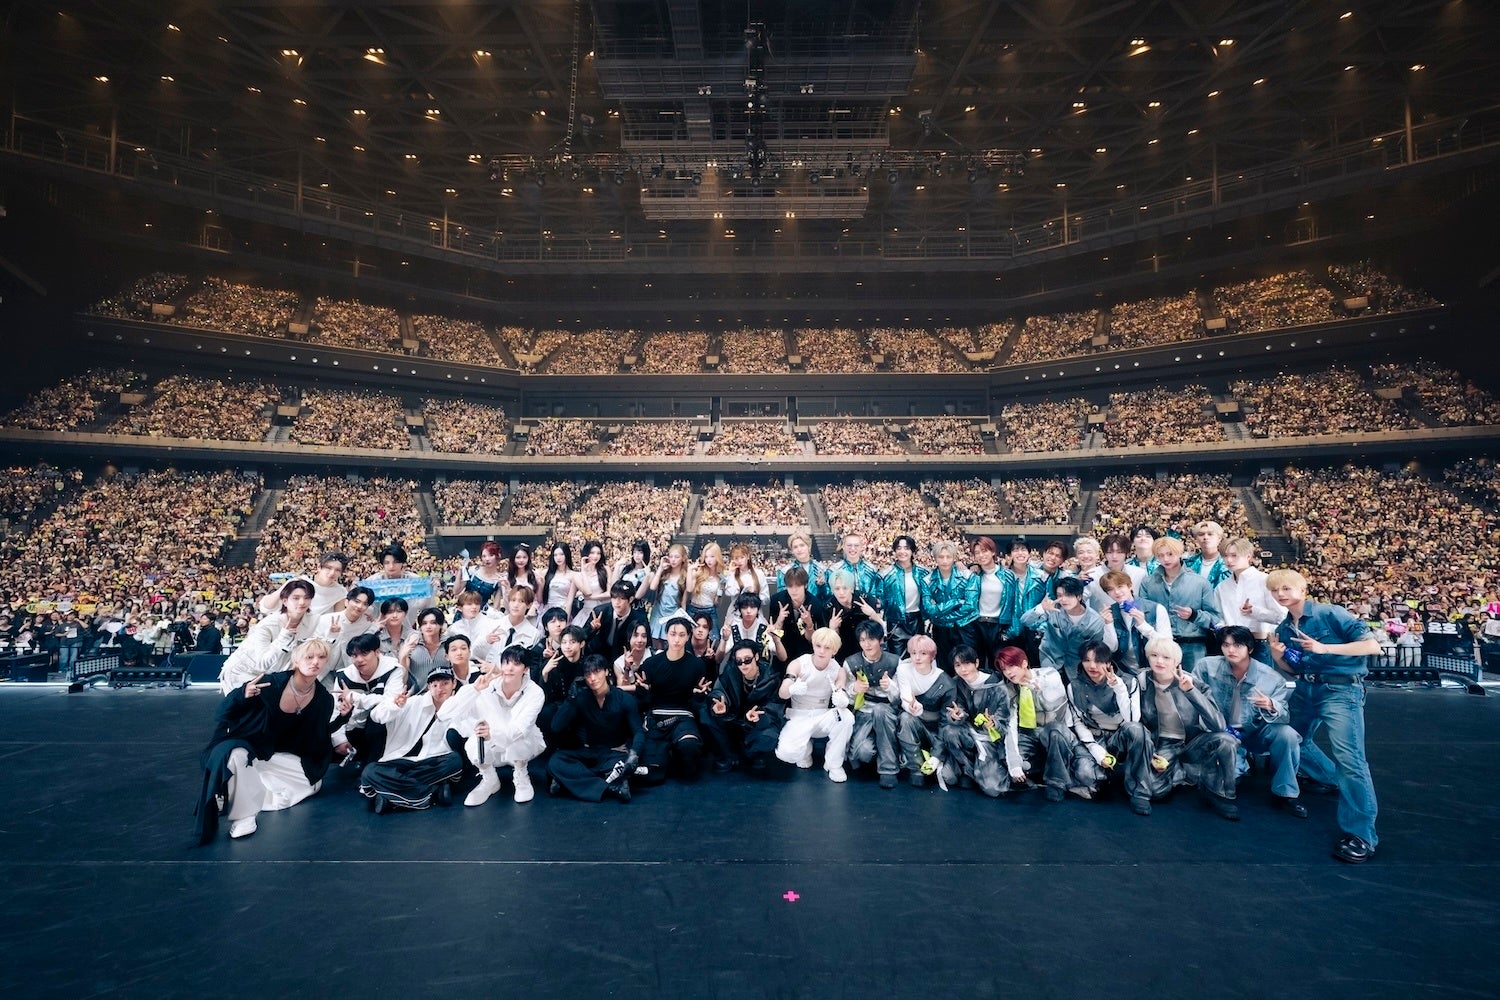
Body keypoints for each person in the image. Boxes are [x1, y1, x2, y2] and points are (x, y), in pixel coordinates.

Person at [1268, 569, 1382, 863]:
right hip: (1306, 688)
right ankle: (1331, 778)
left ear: (1302, 589)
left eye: (1286, 588)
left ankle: (1361, 836)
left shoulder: (1329, 613)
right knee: (1292, 739)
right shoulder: (1284, 628)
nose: (1280, 594)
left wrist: (1325, 647)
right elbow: (1295, 668)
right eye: (1275, 590)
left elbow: (1372, 645)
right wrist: (1279, 657)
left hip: (1340, 690)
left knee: (1351, 760)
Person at [194, 639, 338, 844]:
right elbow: (223, 714)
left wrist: (343, 717)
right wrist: (242, 695)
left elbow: (320, 738)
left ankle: (243, 789)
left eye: (321, 657)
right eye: (309, 657)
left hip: (283, 758)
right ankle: (244, 817)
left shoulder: (324, 698)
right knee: (234, 754)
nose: (315, 662)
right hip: (255, 750)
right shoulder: (269, 684)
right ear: (296, 660)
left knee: (307, 784)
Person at [1194, 626, 1306, 818]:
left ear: (1250, 649)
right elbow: (1195, 699)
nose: (1231, 650)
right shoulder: (1206, 667)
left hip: (1255, 731)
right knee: (1226, 781)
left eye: (1237, 645)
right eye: (1226, 645)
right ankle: (1239, 764)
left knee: (1287, 735)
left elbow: (1284, 716)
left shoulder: (1271, 677)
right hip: (1222, 733)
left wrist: (1271, 705)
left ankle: (1285, 793)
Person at [1138, 636, 1240, 821]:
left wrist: (1191, 692)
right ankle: (1180, 772)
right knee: (1154, 791)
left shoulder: (1193, 682)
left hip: (1192, 741)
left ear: (1176, 661)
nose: (1159, 661)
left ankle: (1223, 795)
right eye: (1154, 655)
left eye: (1166, 657)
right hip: (1163, 744)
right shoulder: (1141, 682)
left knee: (1226, 741)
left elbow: (1218, 725)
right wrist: (1150, 751)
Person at [358, 662, 476, 813]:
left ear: (453, 684)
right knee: (369, 772)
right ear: (428, 687)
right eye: (435, 685)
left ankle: (390, 796)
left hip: (431, 762)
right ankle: (432, 793)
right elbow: (376, 716)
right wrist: (395, 706)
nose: (440, 689)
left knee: (454, 761)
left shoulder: (459, 706)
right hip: (399, 761)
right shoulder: (412, 702)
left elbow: (468, 730)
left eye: (445, 683)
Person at [995, 645, 1101, 802]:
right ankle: (1042, 769)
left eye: (1011, 666)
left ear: (1024, 663)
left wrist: (1037, 687)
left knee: (1088, 776)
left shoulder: (1049, 674)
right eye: (1004, 669)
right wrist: (1014, 763)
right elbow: (1011, 726)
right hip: (1032, 734)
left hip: (1061, 733)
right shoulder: (1010, 689)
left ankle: (1056, 783)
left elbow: (1053, 698)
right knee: (1008, 764)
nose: (1008, 672)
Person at [1068, 640, 1154, 815]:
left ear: (1108, 662)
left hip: (1121, 736)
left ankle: (1140, 792)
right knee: (1085, 775)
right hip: (1095, 737)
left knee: (1137, 730)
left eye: (1098, 660)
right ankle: (1103, 777)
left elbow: (1132, 720)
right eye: (1086, 660)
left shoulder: (1129, 682)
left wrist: (1118, 688)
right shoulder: (1074, 686)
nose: (1092, 666)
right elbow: (1078, 722)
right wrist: (1096, 750)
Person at [547, 654, 645, 803]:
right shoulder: (581, 697)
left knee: (625, 767)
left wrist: (634, 754)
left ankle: (570, 781)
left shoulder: (624, 699)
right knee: (555, 761)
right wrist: (570, 698)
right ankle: (611, 788)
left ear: (606, 672)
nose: (592, 678)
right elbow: (556, 726)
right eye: (588, 674)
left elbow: (638, 731)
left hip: (614, 753)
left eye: (597, 672)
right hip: (589, 751)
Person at [457, 645, 546, 806]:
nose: (509, 668)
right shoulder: (487, 685)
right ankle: (490, 779)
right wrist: (475, 689)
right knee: (475, 741)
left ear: (526, 669)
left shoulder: (535, 692)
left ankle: (521, 774)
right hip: (491, 739)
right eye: (506, 663)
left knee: (521, 736)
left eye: (516, 664)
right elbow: (457, 713)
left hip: (518, 740)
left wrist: (493, 734)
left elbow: (521, 727)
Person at [636, 616, 711, 784]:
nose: (677, 639)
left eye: (682, 635)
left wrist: (699, 695)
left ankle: (676, 756)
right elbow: (643, 697)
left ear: (688, 636)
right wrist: (643, 691)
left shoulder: (697, 664)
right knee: (651, 773)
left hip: (683, 717)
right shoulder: (651, 663)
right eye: (673, 634)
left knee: (690, 749)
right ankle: (665, 757)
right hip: (657, 718)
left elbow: (698, 700)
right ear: (666, 635)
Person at [774, 626, 854, 782]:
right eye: (818, 646)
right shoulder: (798, 664)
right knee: (786, 754)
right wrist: (792, 689)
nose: (821, 651)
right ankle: (804, 748)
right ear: (813, 645)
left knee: (846, 717)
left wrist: (842, 699)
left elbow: (841, 689)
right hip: (799, 716)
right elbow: (782, 693)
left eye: (827, 647)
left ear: (834, 650)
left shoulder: (838, 670)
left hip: (822, 716)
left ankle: (834, 764)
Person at [217, 579, 319, 694]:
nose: (302, 602)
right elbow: (263, 663)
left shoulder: (312, 620)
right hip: (241, 672)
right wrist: (284, 637)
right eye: (296, 598)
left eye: (307, 598)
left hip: (271, 673)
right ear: (285, 601)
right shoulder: (268, 624)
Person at [1137, 536, 1221, 673]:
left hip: (1192, 646)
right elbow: (1143, 613)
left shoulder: (1200, 582)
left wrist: (1194, 615)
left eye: (1170, 554)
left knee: (1193, 684)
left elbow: (1214, 619)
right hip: (1159, 646)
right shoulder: (1148, 583)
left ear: (1180, 553)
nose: (1166, 559)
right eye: (1160, 555)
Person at [940, 645, 1014, 798]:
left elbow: (1005, 724)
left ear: (977, 663)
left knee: (993, 789)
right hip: (967, 733)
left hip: (989, 741)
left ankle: (984, 768)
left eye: (967, 663)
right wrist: (957, 715)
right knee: (950, 731)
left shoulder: (998, 688)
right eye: (958, 665)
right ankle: (968, 770)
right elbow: (955, 709)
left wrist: (993, 724)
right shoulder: (956, 683)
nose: (963, 669)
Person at [700, 639, 785, 773]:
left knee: (770, 734)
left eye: (747, 660)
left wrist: (760, 714)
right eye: (739, 661)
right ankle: (728, 755)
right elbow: (718, 691)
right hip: (734, 719)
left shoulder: (771, 677)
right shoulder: (730, 671)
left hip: (756, 723)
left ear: (756, 657)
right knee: (706, 713)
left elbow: (775, 706)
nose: (743, 664)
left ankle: (752, 754)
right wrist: (720, 705)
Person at [328, 632, 407, 764]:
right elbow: (335, 710)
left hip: (381, 729)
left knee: (378, 715)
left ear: (377, 652)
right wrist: (339, 740)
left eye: (364, 654)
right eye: (354, 655)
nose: (359, 660)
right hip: (351, 729)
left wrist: (354, 697)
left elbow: (391, 703)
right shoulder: (343, 677)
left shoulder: (392, 670)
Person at [1018, 575, 1113, 682]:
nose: (1063, 599)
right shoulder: (1053, 609)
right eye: (1059, 595)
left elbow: (1096, 648)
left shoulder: (1095, 621)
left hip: (1076, 663)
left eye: (1068, 595)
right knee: (1050, 687)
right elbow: (1025, 621)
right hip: (1050, 657)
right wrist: (1041, 608)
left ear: (1079, 597)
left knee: (1072, 689)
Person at [844, 620, 903, 788]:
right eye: (862, 640)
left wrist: (890, 687)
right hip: (863, 713)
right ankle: (881, 749)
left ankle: (888, 769)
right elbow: (845, 697)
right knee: (863, 752)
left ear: (881, 640)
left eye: (871, 639)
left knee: (880, 710)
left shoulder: (895, 662)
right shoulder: (850, 663)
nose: (867, 644)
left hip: (888, 713)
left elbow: (900, 698)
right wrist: (854, 688)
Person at [895, 634, 958, 788]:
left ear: (932, 656)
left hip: (936, 731)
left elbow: (945, 723)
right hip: (915, 722)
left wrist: (936, 755)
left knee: (950, 777)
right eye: (913, 653)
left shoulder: (946, 682)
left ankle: (935, 759)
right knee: (905, 718)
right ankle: (915, 769)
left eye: (923, 653)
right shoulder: (903, 669)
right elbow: (905, 696)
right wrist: (912, 708)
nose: (917, 658)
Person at [1214, 537, 1286, 664]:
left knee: (1260, 677)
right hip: (1231, 644)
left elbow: (1281, 616)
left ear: (1249, 556)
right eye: (1225, 556)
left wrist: (1255, 612)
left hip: (1259, 643)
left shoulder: (1265, 580)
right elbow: (1218, 616)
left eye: (1234, 555)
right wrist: (1223, 630)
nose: (1229, 560)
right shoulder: (1222, 587)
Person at [1097, 570, 1170, 678]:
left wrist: (1143, 625)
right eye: (1110, 589)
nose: (1116, 592)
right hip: (1124, 672)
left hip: (1154, 670)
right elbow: (1111, 648)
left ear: (1130, 586)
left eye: (1120, 586)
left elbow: (1168, 646)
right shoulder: (1110, 612)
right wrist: (1108, 624)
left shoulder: (1156, 609)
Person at [922, 540, 979, 671]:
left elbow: (970, 605)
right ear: (935, 558)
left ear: (954, 557)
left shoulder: (968, 576)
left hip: (965, 626)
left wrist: (942, 613)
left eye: (948, 557)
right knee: (945, 664)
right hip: (941, 629)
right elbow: (929, 609)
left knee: (967, 663)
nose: (945, 561)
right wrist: (956, 602)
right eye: (941, 557)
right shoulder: (927, 580)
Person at [255, 551, 347, 620]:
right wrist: (286, 586)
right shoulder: (299, 582)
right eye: (328, 568)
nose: (332, 573)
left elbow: (338, 617)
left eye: (337, 570)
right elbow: (266, 607)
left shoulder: (340, 592)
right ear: (319, 567)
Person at [970, 536, 1015, 670]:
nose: (981, 555)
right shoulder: (974, 575)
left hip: (998, 625)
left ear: (993, 552)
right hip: (978, 623)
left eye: (984, 551)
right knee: (978, 664)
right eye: (977, 553)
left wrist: (1009, 630)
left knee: (999, 665)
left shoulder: (1007, 575)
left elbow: (1013, 603)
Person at [314, 585, 378, 678]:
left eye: (365, 604)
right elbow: (315, 647)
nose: (360, 606)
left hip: (349, 671)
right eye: (357, 601)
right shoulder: (326, 620)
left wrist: (376, 627)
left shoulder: (366, 623)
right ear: (347, 602)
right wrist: (332, 635)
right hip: (322, 669)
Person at [880, 534, 928, 657]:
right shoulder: (886, 574)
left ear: (912, 551)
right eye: (899, 548)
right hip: (896, 622)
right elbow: (880, 599)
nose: (902, 551)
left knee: (918, 656)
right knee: (898, 659)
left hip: (917, 620)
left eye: (906, 548)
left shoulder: (924, 573)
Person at [766, 566, 824, 665]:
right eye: (790, 586)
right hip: (783, 651)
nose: (794, 590)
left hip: (806, 655)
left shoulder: (815, 604)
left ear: (805, 585)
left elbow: (815, 640)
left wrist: (809, 625)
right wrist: (780, 620)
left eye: (798, 586)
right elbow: (773, 633)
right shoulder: (777, 600)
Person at [586, 580, 650, 661]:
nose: (617, 602)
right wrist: (592, 628)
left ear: (631, 599)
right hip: (597, 654)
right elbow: (583, 636)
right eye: (614, 597)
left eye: (622, 598)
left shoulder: (639, 618)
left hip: (623, 656)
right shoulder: (600, 612)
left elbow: (647, 644)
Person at [645, 543, 689, 647]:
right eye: (671, 556)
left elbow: (683, 603)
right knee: (655, 645)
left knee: (669, 645)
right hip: (658, 613)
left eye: (677, 557)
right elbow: (653, 587)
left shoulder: (684, 577)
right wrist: (660, 568)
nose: (673, 560)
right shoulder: (664, 573)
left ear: (683, 559)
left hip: (673, 614)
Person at [401, 607, 450, 690]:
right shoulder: (412, 644)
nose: (428, 626)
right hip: (417, 694)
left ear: (441, 624)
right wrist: (403, 656)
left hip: (444, 693)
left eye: (433, 623)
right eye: (424, 623)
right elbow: (403, 675)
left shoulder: (449, 643)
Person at [452, 540, 507, 610]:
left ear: (498, 556)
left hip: (481, 614)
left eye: (491, 555)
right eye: (484, 556)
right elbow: (456, 591)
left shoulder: (498, 580)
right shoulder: (473, 570)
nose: (487, 559)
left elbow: (496, 606)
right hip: (463, 612)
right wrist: (460, 570)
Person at [777, 531, 829, 602]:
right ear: (792, 551)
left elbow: (828, 596)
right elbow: (781, 596)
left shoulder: (822, 569)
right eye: (795, 547)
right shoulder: (784, 572)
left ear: (809, 547)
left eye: (802, 545)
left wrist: (822, 586)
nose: (799, 549)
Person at [571, 540, 611, 626]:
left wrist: (591, 597)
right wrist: (584, 571)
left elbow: (609, 593)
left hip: (603, 611)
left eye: (598, 553)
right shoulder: (579, 575)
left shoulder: (606, 569)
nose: (595, 556)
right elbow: (587, 592)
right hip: (586, 612)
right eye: (592, 553)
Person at [830, 532, 882, 596]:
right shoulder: (834, 570)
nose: (853, 548)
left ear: (861, 547)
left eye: (856, 545)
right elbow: (829, 594)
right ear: (843, 547)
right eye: (849, 545)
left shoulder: (872, 570)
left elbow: (879, 593)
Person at [1185, 521, 1232, 590]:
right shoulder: (1188, 564)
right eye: (1201, 534)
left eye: (1210, 534)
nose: (1205, 537)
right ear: (1196, 539)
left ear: (1219, 538)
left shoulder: (1229, 564)